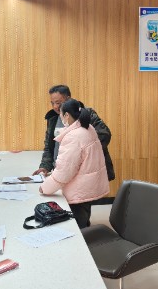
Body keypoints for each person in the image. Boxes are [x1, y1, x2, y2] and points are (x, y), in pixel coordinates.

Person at [38, 98, 109, 228]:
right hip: (87, 186)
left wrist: (45, 188)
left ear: (66, 115)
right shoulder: (88, 128)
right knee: (84, 220)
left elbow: (64, 173)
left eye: (61, 114)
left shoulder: (73, 136)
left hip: (78, 190)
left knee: (77, 226)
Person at [32, 85, 115, 181]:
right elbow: (49, 147)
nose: (55, 107)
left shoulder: (85, 114)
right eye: (52, 103)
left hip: (87, 174)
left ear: (68, 99)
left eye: (58, 103)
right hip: (63, 173)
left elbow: (104, 135)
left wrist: (80, 152)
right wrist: (45, 166)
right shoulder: (53, 119)